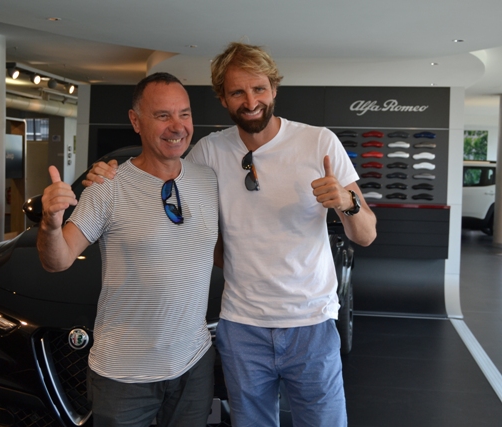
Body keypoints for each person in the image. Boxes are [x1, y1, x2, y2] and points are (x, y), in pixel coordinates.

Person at [85, 42, 377, 427]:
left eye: (259, 89)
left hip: (311, 324)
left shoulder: (318, 142)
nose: (250, 101)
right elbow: (159, 179)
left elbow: (366, 234)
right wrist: (108, 175)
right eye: (238, 92)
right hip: (242, 329)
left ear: (274, 89)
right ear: (222, 99)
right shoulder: (208, 152)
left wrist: (347, 202)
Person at [37, 72, 219, 427]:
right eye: (162, 115)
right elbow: (57, 260)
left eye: (184, 114)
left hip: (193, 366)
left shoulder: (208, 179)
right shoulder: (107, 186)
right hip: (123, 375)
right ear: (136, 121)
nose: (177, 126)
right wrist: (50, 223)